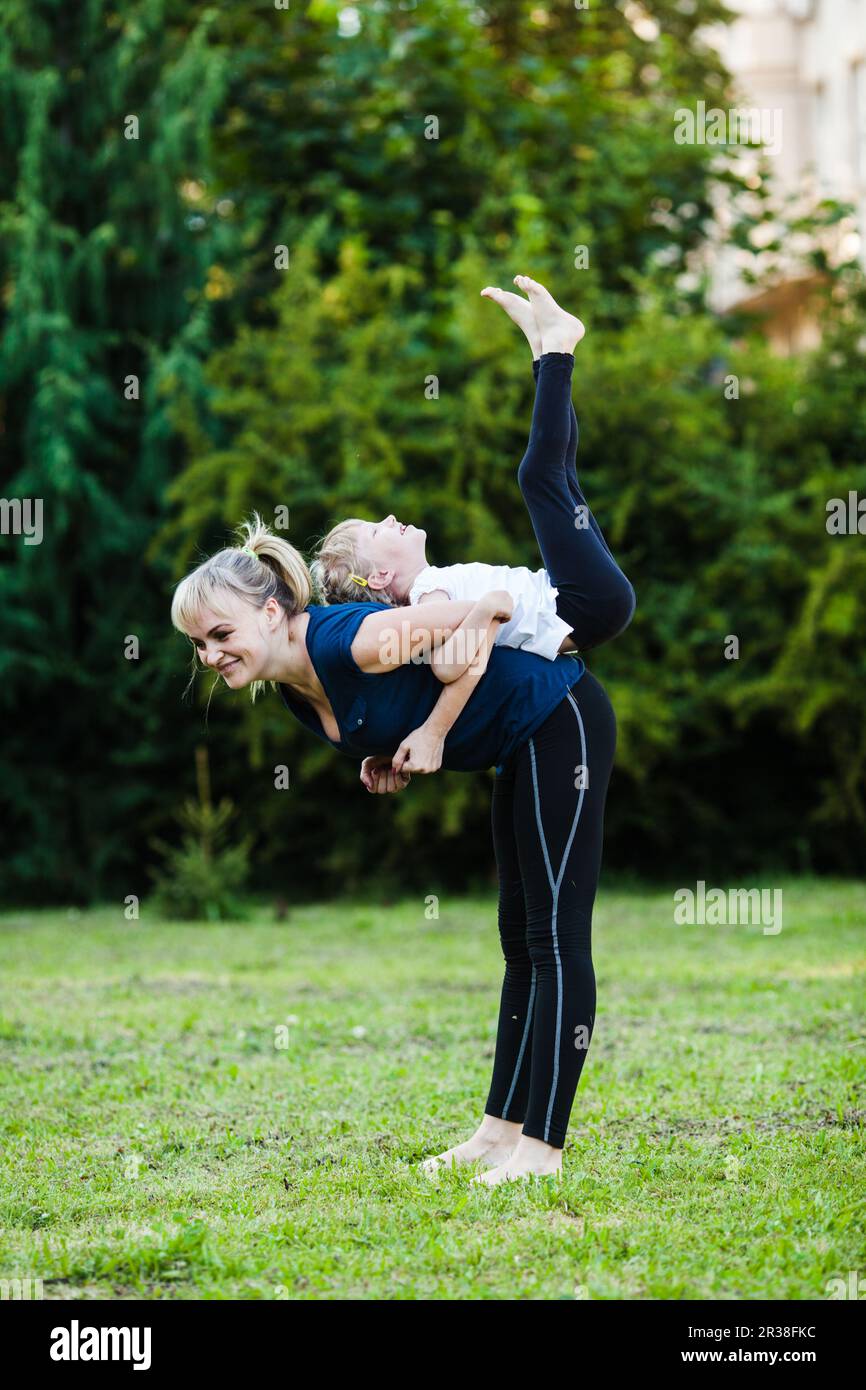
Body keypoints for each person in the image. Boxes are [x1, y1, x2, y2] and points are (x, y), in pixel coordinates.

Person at [169, 278, 624, 1186]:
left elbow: (488, 609)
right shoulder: (298, 689)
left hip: (558, 720)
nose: (213, 655)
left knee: (557, 936)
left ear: (270, 609)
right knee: (518, 940)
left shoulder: (356, 635)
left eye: (221, 633)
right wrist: (393, 752)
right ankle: (500, 1129)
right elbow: (407, 709)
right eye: (198, 646)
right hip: (516, 745)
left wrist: (433, 734)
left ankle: (543, 1148)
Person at [309, 275, 635, 687]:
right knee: (538, 476)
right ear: (379, 578)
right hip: (582, 604)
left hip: (583, 598)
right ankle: (556, 348)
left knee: (559, 472)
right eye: (376, 531)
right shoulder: (427, 599)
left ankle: (545, 349)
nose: (389, 518)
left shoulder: (434, 586)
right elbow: (447, 667)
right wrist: (487, 614)